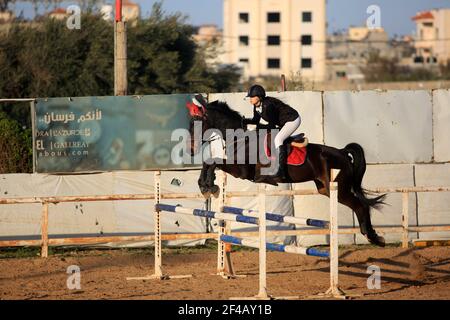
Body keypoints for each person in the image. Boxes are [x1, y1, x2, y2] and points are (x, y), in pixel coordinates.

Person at [243, 84, 301, 182]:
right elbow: (255, 121)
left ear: (259, 97)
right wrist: (244, 122)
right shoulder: (256, 106)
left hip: (292, 120)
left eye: (252, 97)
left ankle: (281, 171)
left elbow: (271, 126)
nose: (250, 99)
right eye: (250, 97)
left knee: (278, 139)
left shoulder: (269, 105)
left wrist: (256, 127)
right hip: (283, 122)